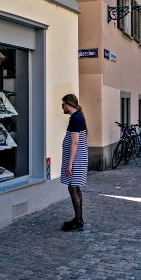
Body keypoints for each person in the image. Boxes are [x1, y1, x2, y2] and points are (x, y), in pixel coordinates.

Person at [60, 94, 88, 232]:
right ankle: (78, 219)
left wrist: (69, 164)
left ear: (68, 104)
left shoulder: (76, 119)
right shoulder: (77, 117)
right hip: (77, 158)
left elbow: (75, 142)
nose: (62, 107)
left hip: (76, 159)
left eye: (63, 104)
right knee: (74, 188)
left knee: (73, 188)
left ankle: (78, 221)